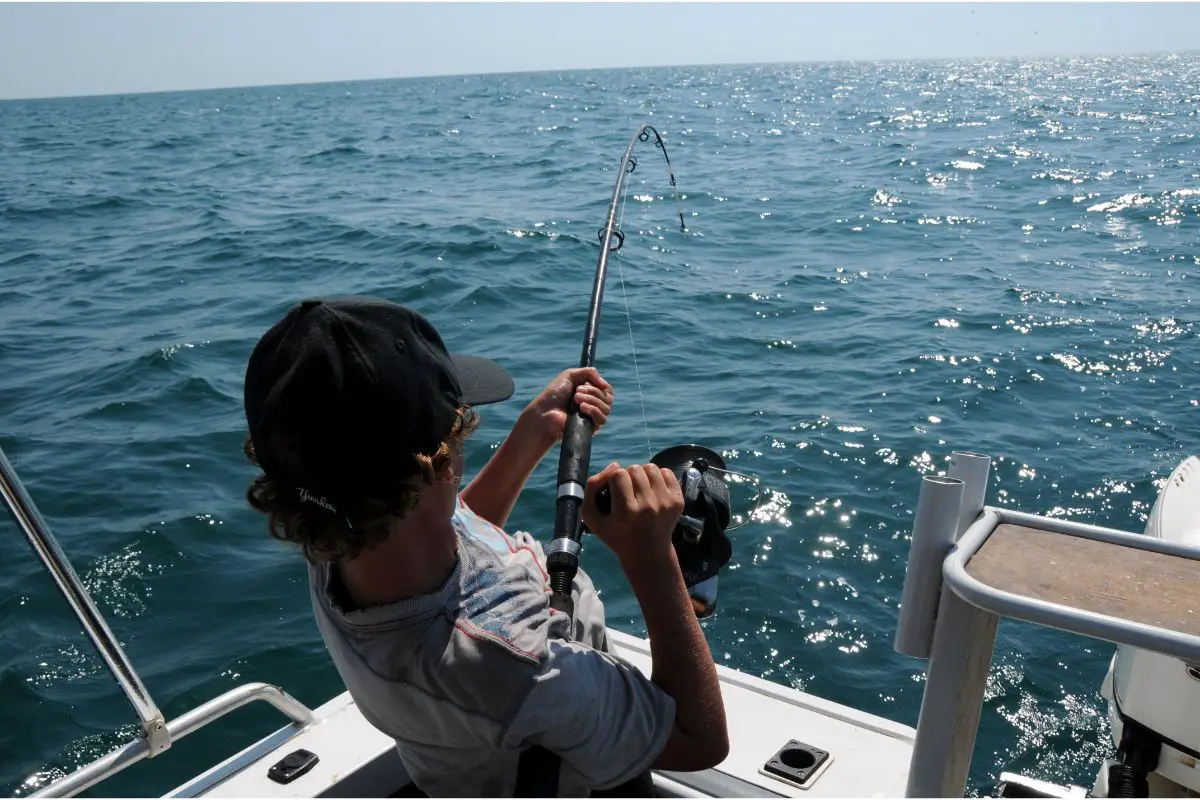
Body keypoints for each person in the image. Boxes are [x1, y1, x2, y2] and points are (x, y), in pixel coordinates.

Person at [241, 295, 729, 797]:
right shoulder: (516, 668)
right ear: (434, 467)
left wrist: (535, 432)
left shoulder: (335, 531)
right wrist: (651, 558)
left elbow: (448, 533)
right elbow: (700, 741)